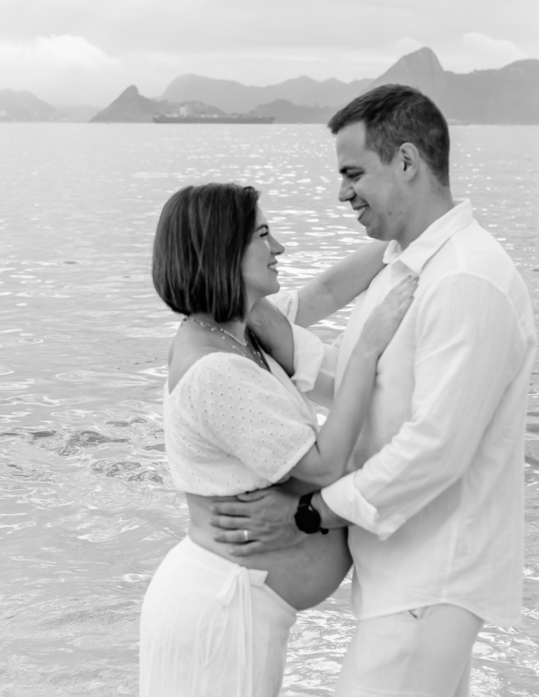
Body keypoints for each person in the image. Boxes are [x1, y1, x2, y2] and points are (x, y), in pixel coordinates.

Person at [210, 85, 538, 696]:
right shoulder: (405, 266)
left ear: (408, 162)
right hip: (403, 575)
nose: (342, 192)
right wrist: (286, 343)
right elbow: (380, 387)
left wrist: (309, 514)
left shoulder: (466, 279)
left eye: (353, 172)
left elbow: (435, 448)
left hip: (431, 576)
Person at [139, 182, 418, 697]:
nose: (280, 247)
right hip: (224, 612)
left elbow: (328, 292)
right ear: (224, 251)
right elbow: (325, 465)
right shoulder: (215, 369)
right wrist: (366, 348)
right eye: (263, 235)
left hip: (239, 604)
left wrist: (414, 233)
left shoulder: (240, 327)